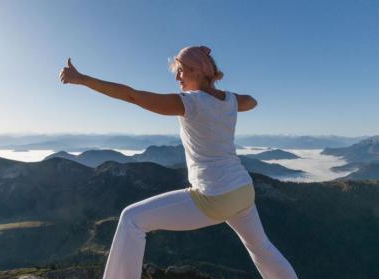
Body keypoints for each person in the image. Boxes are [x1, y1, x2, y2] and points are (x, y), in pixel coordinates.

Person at [59, 45, 298, 279]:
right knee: (262, 248)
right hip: (243, 191)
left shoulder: (190, 103)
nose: (177, 77)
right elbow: (252, 101)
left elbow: (131, 95)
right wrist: (225, 95)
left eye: (181, 70)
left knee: (131, 219)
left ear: (197, 70)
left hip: (214, 195)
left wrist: (82, 79)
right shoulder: (230, 101)